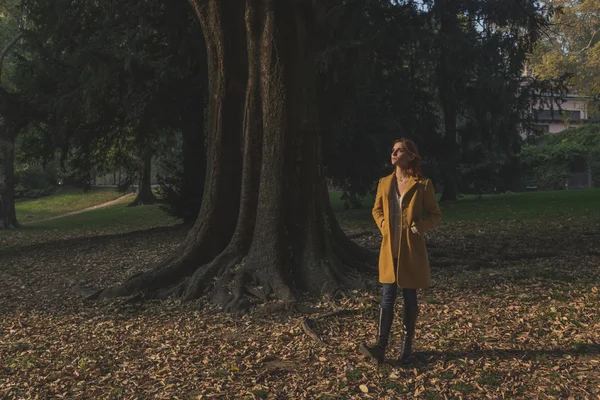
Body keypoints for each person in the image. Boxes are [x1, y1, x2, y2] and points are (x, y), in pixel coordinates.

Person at [359, 138, 442, 364]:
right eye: (393, 150)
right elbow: (376, 210)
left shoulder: (423, 184)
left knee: (409, 297)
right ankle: (380, 347)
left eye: (400, 150)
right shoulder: (385, 183)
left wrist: (418, 227)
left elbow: (435, 214)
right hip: (389, 249)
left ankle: (407, 349)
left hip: (411, 250)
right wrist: (384, 225)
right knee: (387, 297)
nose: (394, 153)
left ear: (411, 156)